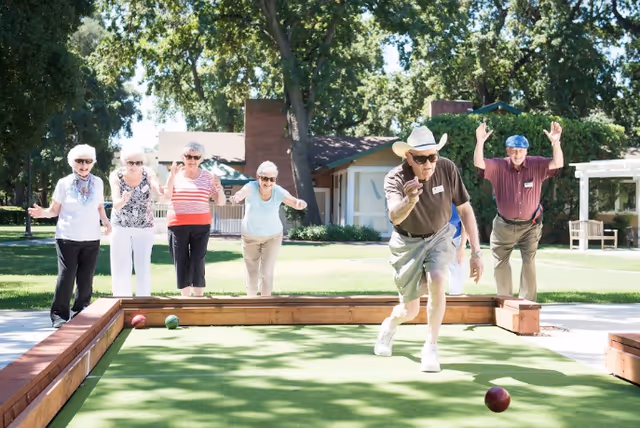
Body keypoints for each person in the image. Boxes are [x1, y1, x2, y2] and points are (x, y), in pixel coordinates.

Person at [374, 126, 484, 372]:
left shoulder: (447, 168)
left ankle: (431, 347)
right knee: (409, 310)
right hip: (407, 243)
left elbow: (465, 210)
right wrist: (410, 199)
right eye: (421, 159)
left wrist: (476, 252)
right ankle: (389, 326)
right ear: (408, 158)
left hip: (440, 235)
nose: (428, 164)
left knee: (438, 278)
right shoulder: (395, 177)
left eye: (432, 157)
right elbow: (394, 217)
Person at [473, 121, 563, 302]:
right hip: (503, 225)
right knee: (500, 263)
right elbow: (479, 162)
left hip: (530, 226)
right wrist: (480, 142)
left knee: (529, 262)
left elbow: (557, 162)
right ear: (507, 151)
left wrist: (556, 143)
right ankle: (505, 302)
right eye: (513, 150)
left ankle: (527, 305)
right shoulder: (498, 166)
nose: (517, 154)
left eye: (520, 151)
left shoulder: (536, 164)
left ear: (526, 152)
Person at [28, 144, 111, 328]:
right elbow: (54, 210)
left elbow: (99, 206)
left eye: (88, 161)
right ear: (72, 162)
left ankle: (81, 311)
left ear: (93, 163)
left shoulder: (98, 182)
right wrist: (43, 213)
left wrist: (105, 221)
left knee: (86, 277)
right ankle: (59, 315)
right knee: (67, 275)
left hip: (91, 237)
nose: (83, 165)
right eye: (79, 161)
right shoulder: (64, 183)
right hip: (67, 237)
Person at [229, 161, 307, 297]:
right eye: (265, 178)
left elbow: (293, 201)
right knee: (252, 272)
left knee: (266, 272)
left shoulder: (278, 191)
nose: (268, 182)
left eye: (272, 179)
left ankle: (266, 305)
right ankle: (251, 304)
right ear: (258, 177)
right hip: (250, 236)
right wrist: (236, 198)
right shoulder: (251, 187)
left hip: (272, 236)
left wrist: (300, 204)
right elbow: (242, 193)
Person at [163, 142, 226, 296]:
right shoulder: (175, 176)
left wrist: (219, 187)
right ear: (182, 158)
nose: (191, 160)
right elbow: (166, 197)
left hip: (201, 225)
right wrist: (171, 177)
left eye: (195, 157)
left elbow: (221, 201)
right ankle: (185, 299)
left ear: (201, 159)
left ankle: (198, 297)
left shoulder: (208, 177)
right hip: (177, 224)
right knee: (181, 260)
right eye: (188, 156)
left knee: (198, 260)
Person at [109, 146, 164, 297]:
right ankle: (121, 300)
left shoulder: (148, 173)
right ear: (123, 162)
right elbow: (116, 204)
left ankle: (143, 301)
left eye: (138, 163)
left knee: (143, 266)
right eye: (130, 162)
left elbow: (158, 193)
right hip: (121, 225)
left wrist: (159, 190)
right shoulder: (116, 176)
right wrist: (123, 199)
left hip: (144, 226)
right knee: (121, 266)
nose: (134, 166)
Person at [448, 202, 468, 296]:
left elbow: (465, 225)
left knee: (457, 268)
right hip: (436, 237)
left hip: (456, 239)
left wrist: (462, 247)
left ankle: (455, 295)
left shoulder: (459, 199)